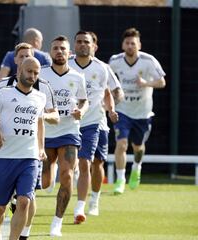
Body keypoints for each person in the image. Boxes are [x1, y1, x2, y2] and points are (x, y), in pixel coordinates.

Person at [0, 42, 59, 240]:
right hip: (6, 148)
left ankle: (24, 233)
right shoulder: (3, 85)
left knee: (28, 197)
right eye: (22, 56)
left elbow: (55, 116)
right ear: (16, 61)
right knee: (2, 203)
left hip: (32, 149)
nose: (26, 59)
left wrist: (40, 116)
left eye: (29, 56)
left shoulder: (43, 86)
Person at [0, 57, 46, 240]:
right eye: (29, 71)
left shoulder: (40, 97)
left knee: (24, 201)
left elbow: (40, 122)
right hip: (5, 157)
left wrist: (41, 147)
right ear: (20, 70)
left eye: (36, 73)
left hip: (29, 157)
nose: (32, 76)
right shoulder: (3, 93)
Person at [40, 35, 88, 237]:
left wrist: (81, 112)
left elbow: (84, 101)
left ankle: (56, 222)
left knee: (67, 175)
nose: (59, 51)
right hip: (43, 132)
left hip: (68, 131)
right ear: (50, 52)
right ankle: (48, 176)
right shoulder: (40, 75)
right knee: (44, 183)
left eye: (63, 49)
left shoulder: (77, 77)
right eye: (55, 48)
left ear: (70, 54)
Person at [68, 31, 118, 222]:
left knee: (97, 163)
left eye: (86, 42)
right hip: (71, 123)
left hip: (96, 122)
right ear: (74, 45)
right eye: (79, 42)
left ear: (93, 46)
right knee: (82, 163)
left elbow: (109, 92)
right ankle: (79, 203)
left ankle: (94, 200)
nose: (82, 45)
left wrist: (112, 109)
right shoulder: (67, 65)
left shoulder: (102, 68)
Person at [109, 28, 166, 194]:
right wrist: (111, 96)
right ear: (122, 45)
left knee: (138, 147)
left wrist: (145, 83)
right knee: (122, 144)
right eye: (127, 43)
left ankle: (137, 167)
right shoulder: (115, 60)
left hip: (143, 112)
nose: (130, 46)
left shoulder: (148, 61)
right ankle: (120, 180)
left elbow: (162, 82)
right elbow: (106, 79)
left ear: (139, 45)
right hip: (123, 110)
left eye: (133, 43)